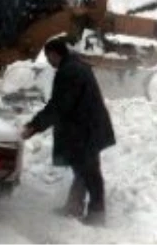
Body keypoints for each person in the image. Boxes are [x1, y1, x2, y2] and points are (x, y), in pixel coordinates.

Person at [22, 38, 115, 225]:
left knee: (89, 172)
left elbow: (59, 106)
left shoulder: (69, 71)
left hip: (85, 130)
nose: (49, 62)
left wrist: (33, 126)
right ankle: (74, 206)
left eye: (48, 57)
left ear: (55, 54)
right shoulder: (75, 66)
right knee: (83, 169)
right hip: (87, 128)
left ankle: (97, 214)